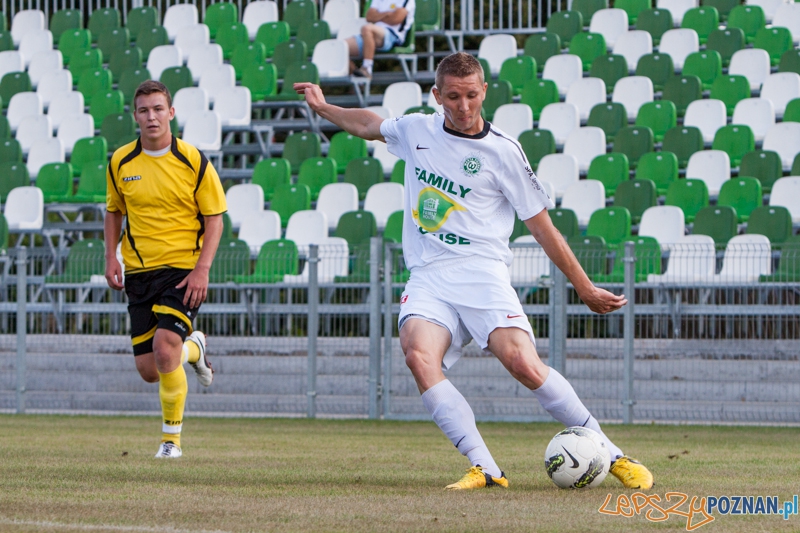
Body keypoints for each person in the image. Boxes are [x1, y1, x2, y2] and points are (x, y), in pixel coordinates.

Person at [294, 52, 654, 490]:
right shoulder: (416, 129)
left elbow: (543, 228)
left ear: (483, 91)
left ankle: (612, 456)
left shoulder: (503, 151)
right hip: (429, 273)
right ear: (437, 95)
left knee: (523, 363)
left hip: (483, 272)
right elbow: (368, 125)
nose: (463, 107)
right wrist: (323, 107)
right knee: (416, 353)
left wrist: (585, 287)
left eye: (470, 95)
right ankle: (485, 467)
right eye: (452, 97)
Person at [104, 80, 227, 459]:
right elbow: (113, 211)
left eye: (158, 109)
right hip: (140, 272)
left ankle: (170, 442)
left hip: (183, 270)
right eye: (144, 110)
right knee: (151, 369)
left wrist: (202, 269)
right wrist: (111, 256)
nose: (151, 116)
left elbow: (215, 218)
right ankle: (196, 348)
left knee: (163, 346)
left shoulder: (193, 160)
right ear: (135, 116)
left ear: (171, 113)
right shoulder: (120, 161)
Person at [345, 0, 415, 79]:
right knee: (340, 48)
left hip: (392, 36)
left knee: (367, 29)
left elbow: (396, 19)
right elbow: (369, 16)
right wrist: (387, 14)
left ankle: (367, 67)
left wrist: (377, 16)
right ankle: (357, 79)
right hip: (372, 35)